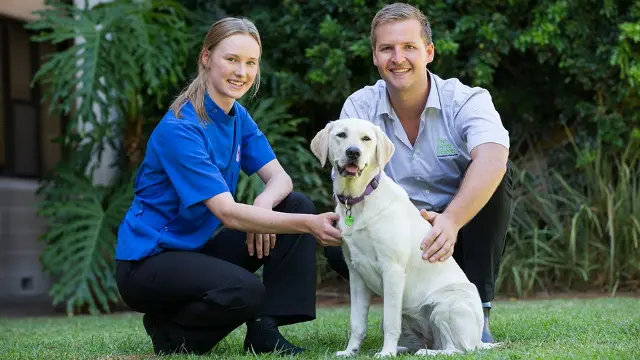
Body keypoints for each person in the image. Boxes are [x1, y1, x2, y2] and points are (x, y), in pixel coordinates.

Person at [114, 17, 342, 356]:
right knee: (245, 291)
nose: (241, 72)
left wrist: (263, 209)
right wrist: (309, 227)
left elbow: (281, 179)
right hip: (148, 262)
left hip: (195, 251)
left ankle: (265, 330)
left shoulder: (237, 116)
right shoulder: (181, 128)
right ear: (206, 58)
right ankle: (169, 332)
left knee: (295, 203)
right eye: (231, 59)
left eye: (250, 63)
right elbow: (227, 213)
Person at [323, 3, 513, 344]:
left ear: (428, 52)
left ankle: (478, 311)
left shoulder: (466, 99)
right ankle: (411, 319)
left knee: (498, 179)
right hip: (400, 235)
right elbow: (344, 170)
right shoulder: (359, 108)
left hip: (461, 227)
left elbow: (493, 158)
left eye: (409, 47)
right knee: (341, 242)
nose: (398, 58)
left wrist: (451, 220)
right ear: (374, 56)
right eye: (387, 49)